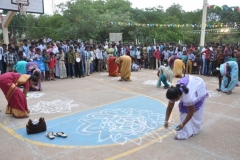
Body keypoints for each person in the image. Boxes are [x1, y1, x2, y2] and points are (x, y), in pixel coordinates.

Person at [164, 75, 209, 140]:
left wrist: (182, 124)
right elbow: (169, 107)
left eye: (174, 100)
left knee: (194, 111)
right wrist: (166, 120)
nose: (173, 102)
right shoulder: (174, 91)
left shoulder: (187, 96)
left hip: (199, 86)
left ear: (179, 96)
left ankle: (190, 131)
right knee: (184, 110)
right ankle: (188, 130)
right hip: (192, 83)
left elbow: (191, 111)